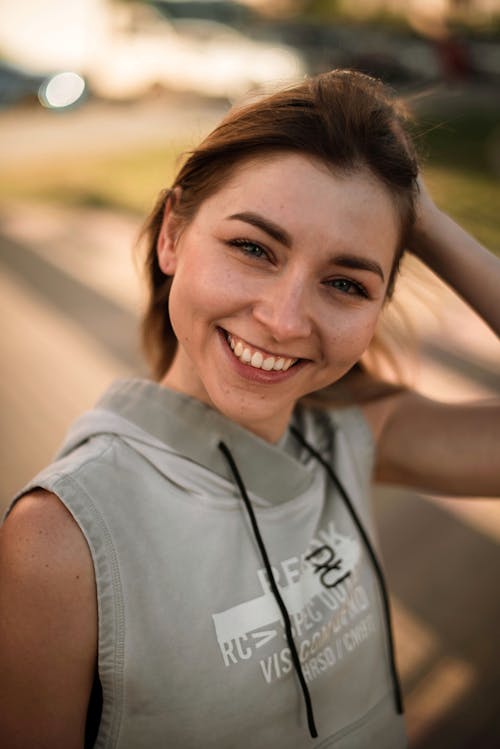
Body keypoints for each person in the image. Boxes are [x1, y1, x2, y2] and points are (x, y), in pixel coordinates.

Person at [0, 69, 499, 749]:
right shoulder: (59, 538)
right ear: (173, 233)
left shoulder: (351, 432)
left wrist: (428, 224)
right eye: (253, 248)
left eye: (346, 282)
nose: (285, 319)